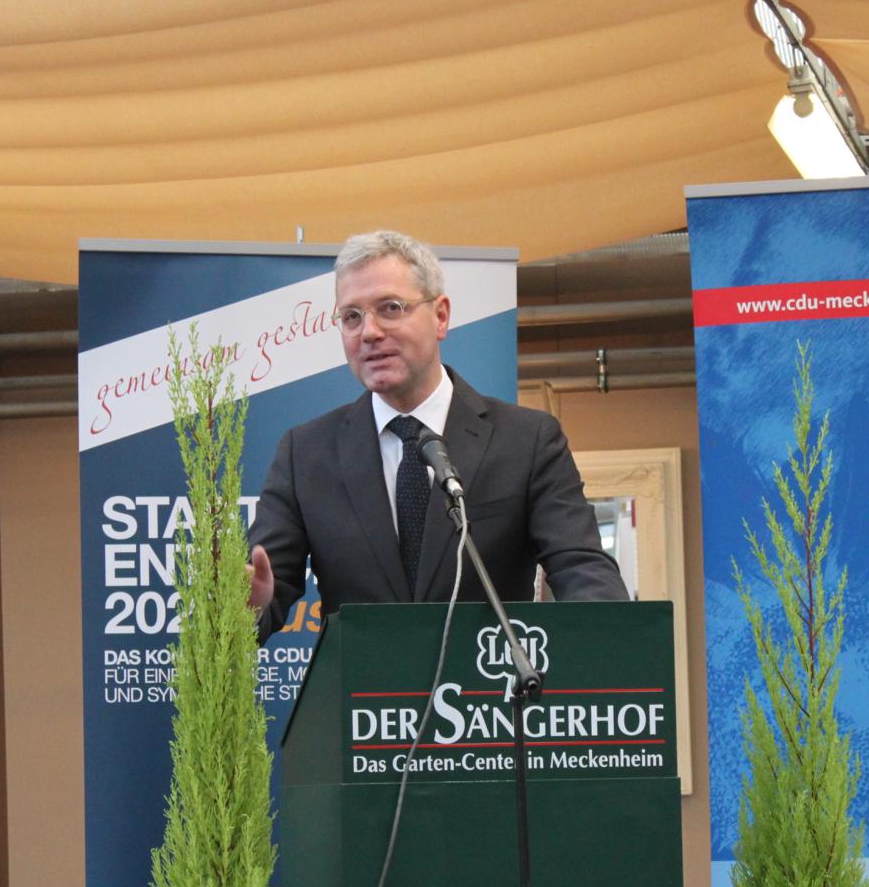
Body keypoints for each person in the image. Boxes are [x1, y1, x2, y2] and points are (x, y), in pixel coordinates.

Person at [247, 230, 626, 641]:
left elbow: (583, 570)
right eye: (351, 316)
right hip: (360, 682)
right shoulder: (305, 454)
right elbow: (264, 590)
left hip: (488, 679)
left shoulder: (528, 440)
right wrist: (245, 607)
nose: (369, 332)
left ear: (441, 316)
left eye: (390, 308)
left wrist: (611, 643)